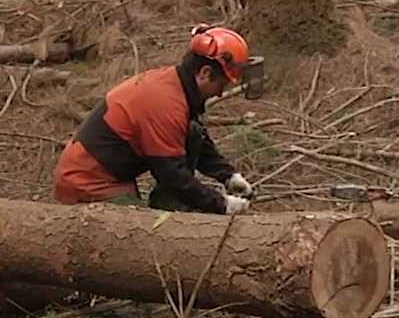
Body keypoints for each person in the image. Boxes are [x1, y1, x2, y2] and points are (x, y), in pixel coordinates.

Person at [52, 25, 262, 215]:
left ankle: (169, 209)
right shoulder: (165, 104)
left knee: (193, 132)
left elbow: (193, 138)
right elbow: (173, 176)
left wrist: (228, 175)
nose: (219, 94)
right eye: (221, 85)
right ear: (205, 73)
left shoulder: (177, 86)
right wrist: (222, 204)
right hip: (88, 183)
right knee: (141, 233)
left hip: (115, 177)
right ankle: (168, 217)